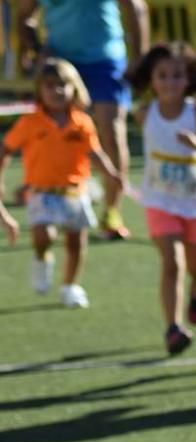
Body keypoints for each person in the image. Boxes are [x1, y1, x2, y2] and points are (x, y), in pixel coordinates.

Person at [126, 42, 196, 355]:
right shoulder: (144, 114)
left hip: (195, 201)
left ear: (189, 79)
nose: (170, 82)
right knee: (172, 262)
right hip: (159, 200)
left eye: (177, 75)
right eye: (162, 75)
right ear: (151, 80)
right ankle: (173, 327)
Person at [18, 0, 149, 240]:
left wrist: (140, 58)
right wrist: (35, 48)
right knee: (53, 129)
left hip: (105, 59)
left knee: (111, 131)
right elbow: (25, 16)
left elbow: (136, 7)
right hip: (62, 62)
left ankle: (112, 210)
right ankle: (51, 192)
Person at [0, 58, 124, 308]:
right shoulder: (30, 123)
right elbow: (6, 148)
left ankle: (70, 286)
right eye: (49, 85)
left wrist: (111, 173)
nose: (56, 91)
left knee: (76, 242)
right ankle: (41, 259)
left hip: (74, 191)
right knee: (43, 235)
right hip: (41, 191)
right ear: (39, 90)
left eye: (62, 84)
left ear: (74, 88)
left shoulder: (82, 123)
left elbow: (94, 151)